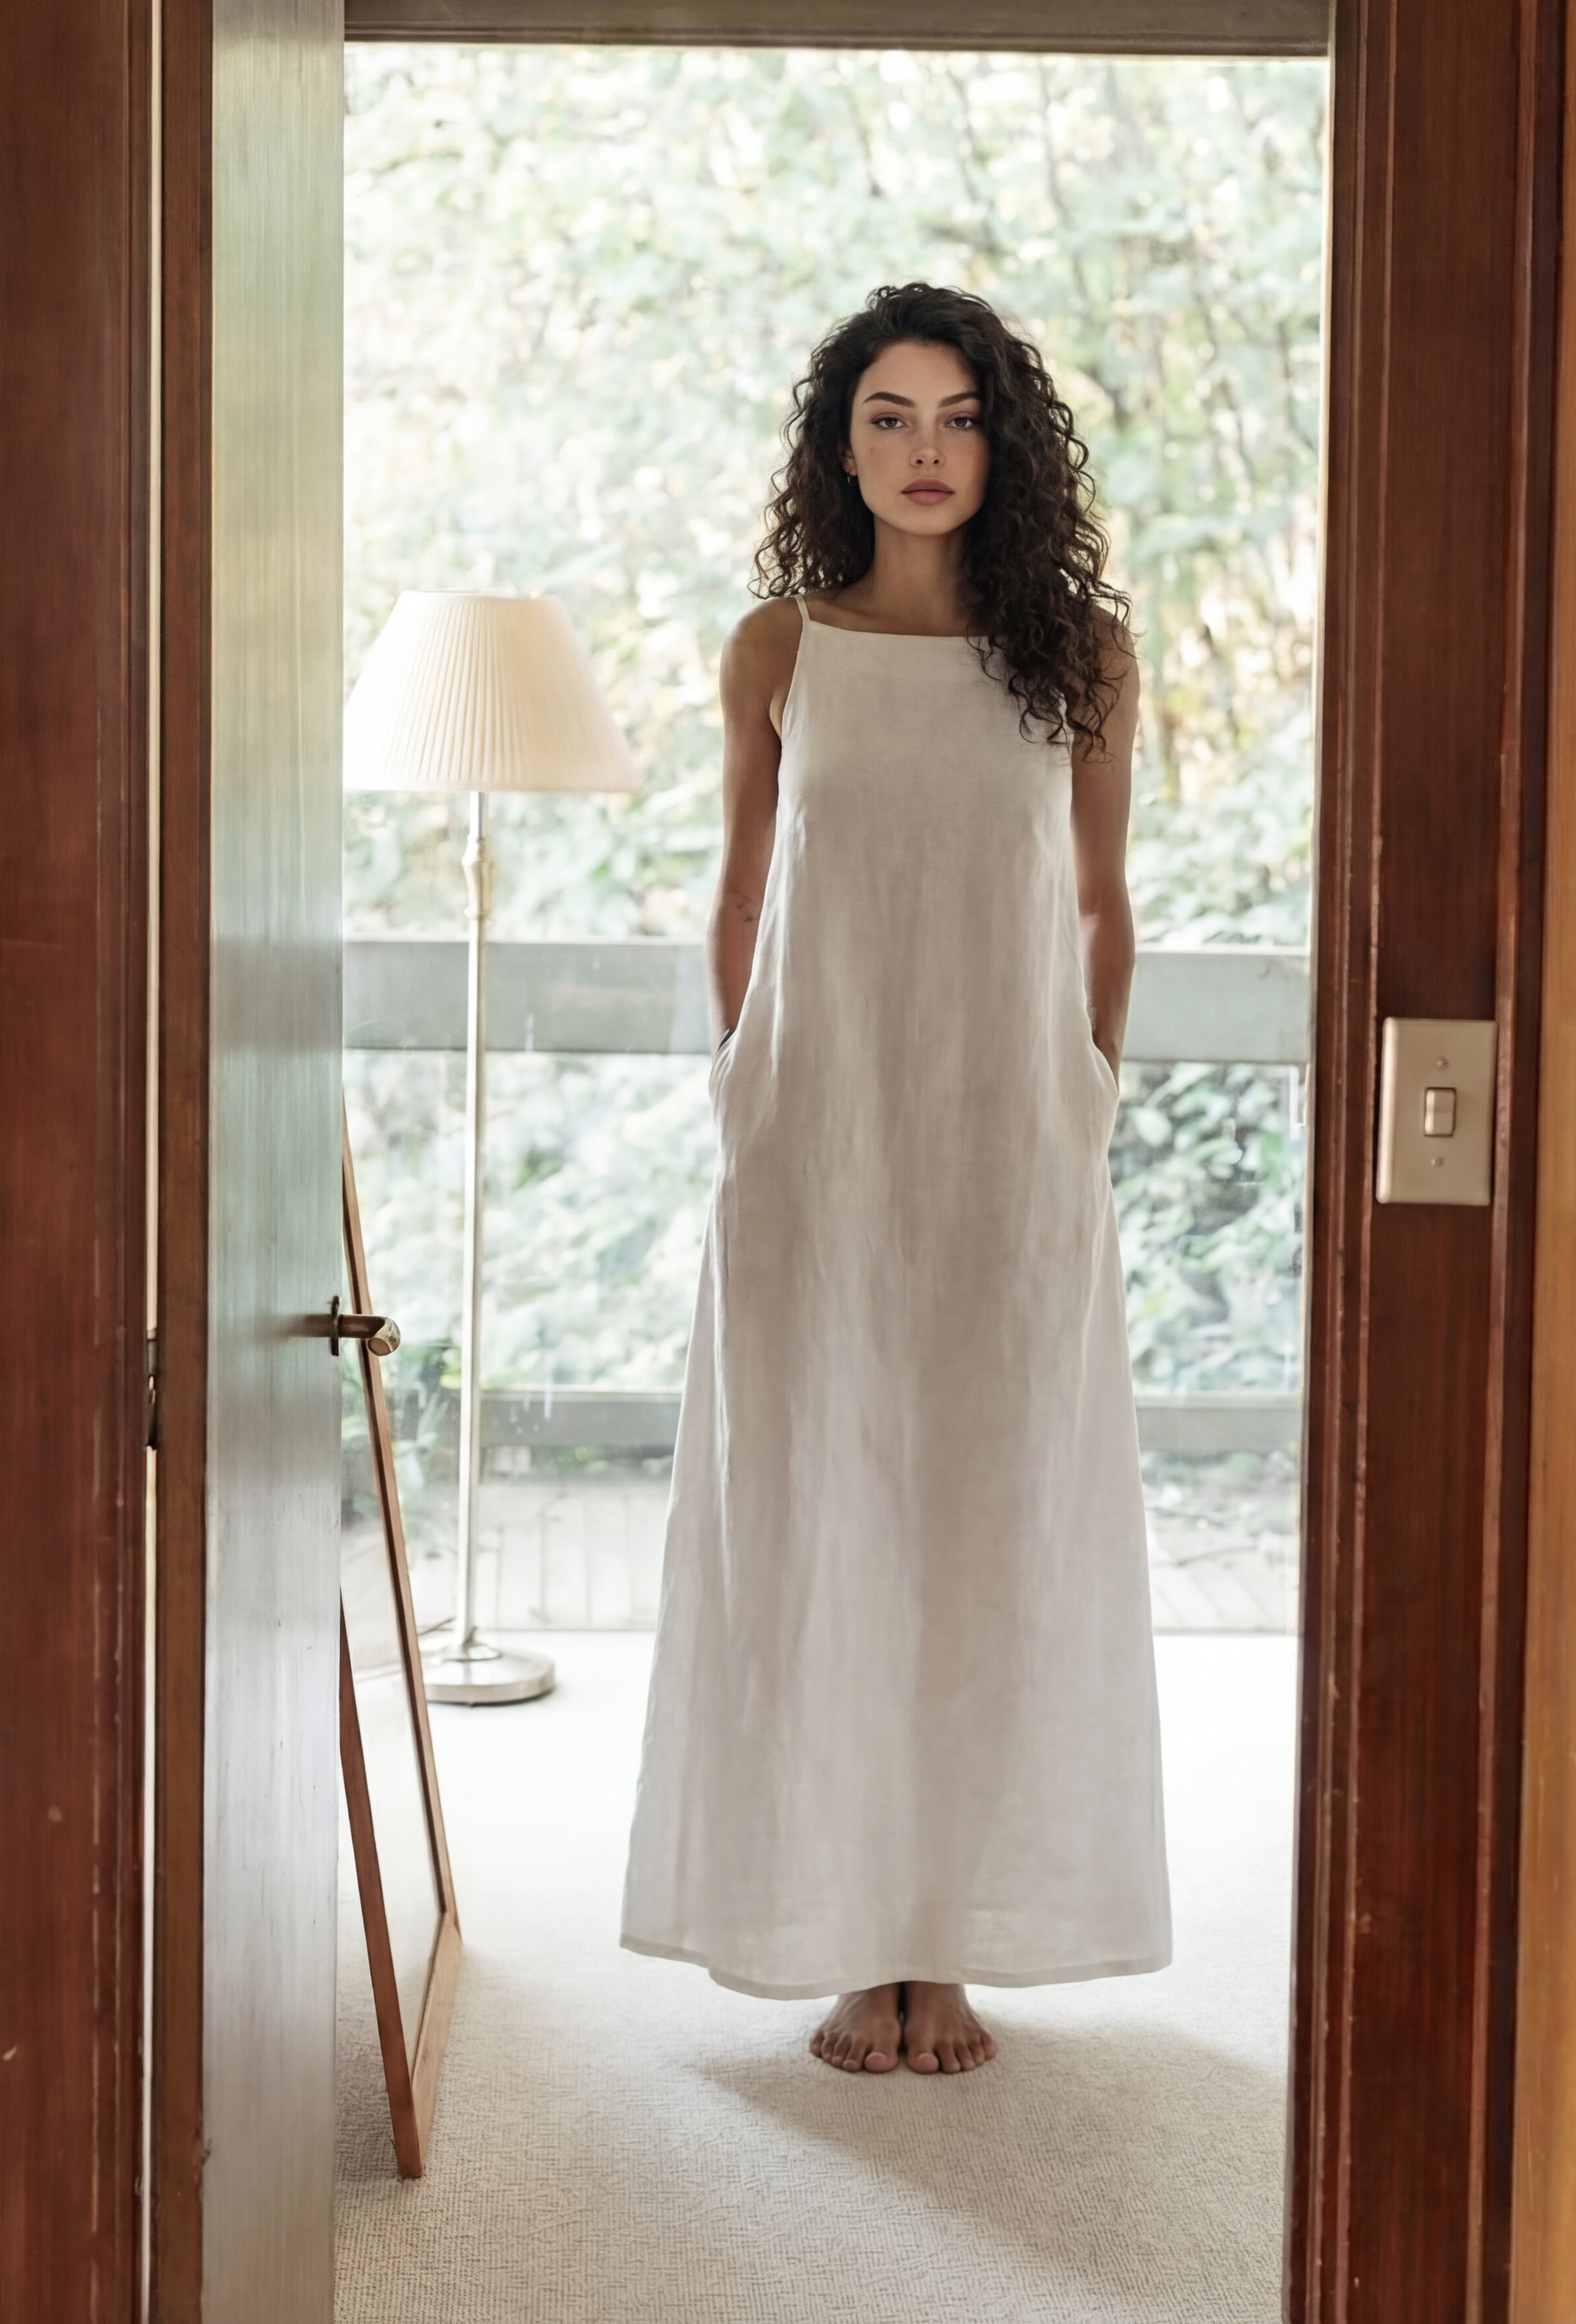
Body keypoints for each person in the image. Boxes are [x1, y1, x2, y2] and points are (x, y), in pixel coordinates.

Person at [621, 282, 1170, 2075]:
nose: (924, 452)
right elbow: (740, 893)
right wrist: (745, 1094)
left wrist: (1081, 1097)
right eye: (888, 418)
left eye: (956, 417)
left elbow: (1100, 902)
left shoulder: (1080, 653)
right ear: (838, 444)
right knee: (828, 1512)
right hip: (818, 1144)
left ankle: (954, 1937)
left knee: (993, 1519)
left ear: (1002, 441)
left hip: (1014, 1144)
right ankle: (860, 1933)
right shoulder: (778, 648)